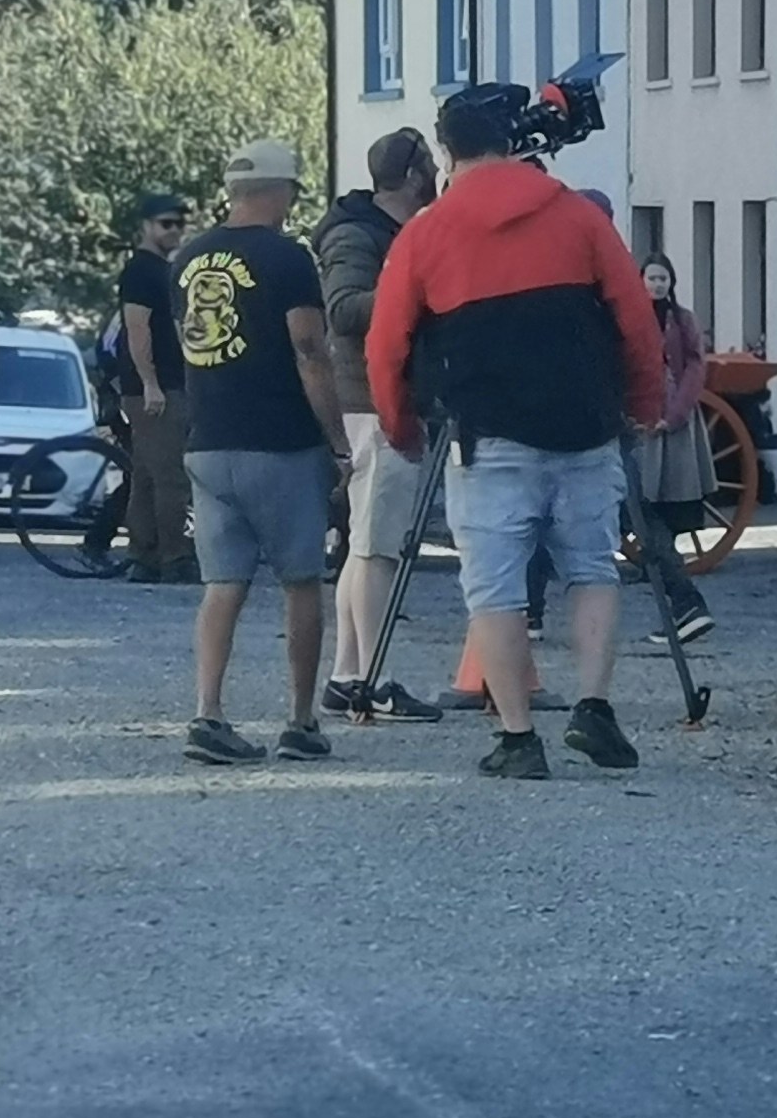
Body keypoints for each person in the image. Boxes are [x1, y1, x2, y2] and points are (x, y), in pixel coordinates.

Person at [365, 83, 665, 780]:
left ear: (446, 151)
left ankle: (517, 735)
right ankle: (593, 706)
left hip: (487, 435)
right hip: (585, 425)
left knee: (494, 587)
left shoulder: (425, 235)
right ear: (511, 143)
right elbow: (635, 322)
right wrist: (644, 404)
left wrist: (401, 427)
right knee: (591, 568)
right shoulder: (577, 217)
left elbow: (385, 346)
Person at [168, 141, 342, 765]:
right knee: (301, 582)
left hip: (208, 438)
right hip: (279, 440)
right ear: (280, 191)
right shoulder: (288, 259)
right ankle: (300, 719)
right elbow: (309, 349)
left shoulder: (186, 258)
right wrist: (338, 440)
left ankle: (207, 712)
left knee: (223, 584)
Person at [314, 128, 442, 720]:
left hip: (374, 398)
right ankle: (375, 678)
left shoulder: (366, 229)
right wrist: (415, 290)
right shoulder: (357, 236)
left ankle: (347, 675)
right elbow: (343, 310)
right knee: (376, 547)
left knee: (366, 547)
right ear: (416, 176)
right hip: (370, 400)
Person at [633, 256, 719, 647]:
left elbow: (696, 367)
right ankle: (683, 604)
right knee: (643, 509)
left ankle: (684, 603)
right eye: (651, 278)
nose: (657, 285)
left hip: (671, 421)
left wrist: (675, 413)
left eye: (663, 278)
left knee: (650, 510)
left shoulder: (682, 319)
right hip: (642, 418)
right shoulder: (630, 317)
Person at [111, 193, 195, 585]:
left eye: (179, 223)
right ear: (146, 226)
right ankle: (173, 556)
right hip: (155, 386)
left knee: (145, 474)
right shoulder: (142, 271)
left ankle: (143, 557)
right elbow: (137, 328)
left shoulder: (163, 269)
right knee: (169, 475)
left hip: (160, 383)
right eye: (166, 223)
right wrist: (150, 383)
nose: (174, 230)